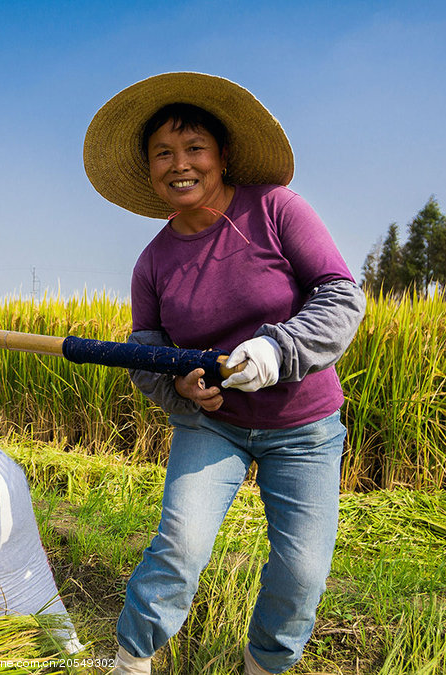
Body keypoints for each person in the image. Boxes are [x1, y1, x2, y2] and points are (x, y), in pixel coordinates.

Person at [83, 73, 366, 674]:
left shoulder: (275, 209)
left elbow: (341, 297)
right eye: (163, 153)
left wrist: (276, 350)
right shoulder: (153, 262)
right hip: (214, 426)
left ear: (223, 156)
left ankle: (263, 664)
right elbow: (149, 357)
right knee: (180, 548)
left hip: (304, 425)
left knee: (302, 571)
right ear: (149, 169)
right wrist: (180, 390)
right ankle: (131, 661)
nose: (179, 165)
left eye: (193, 149)